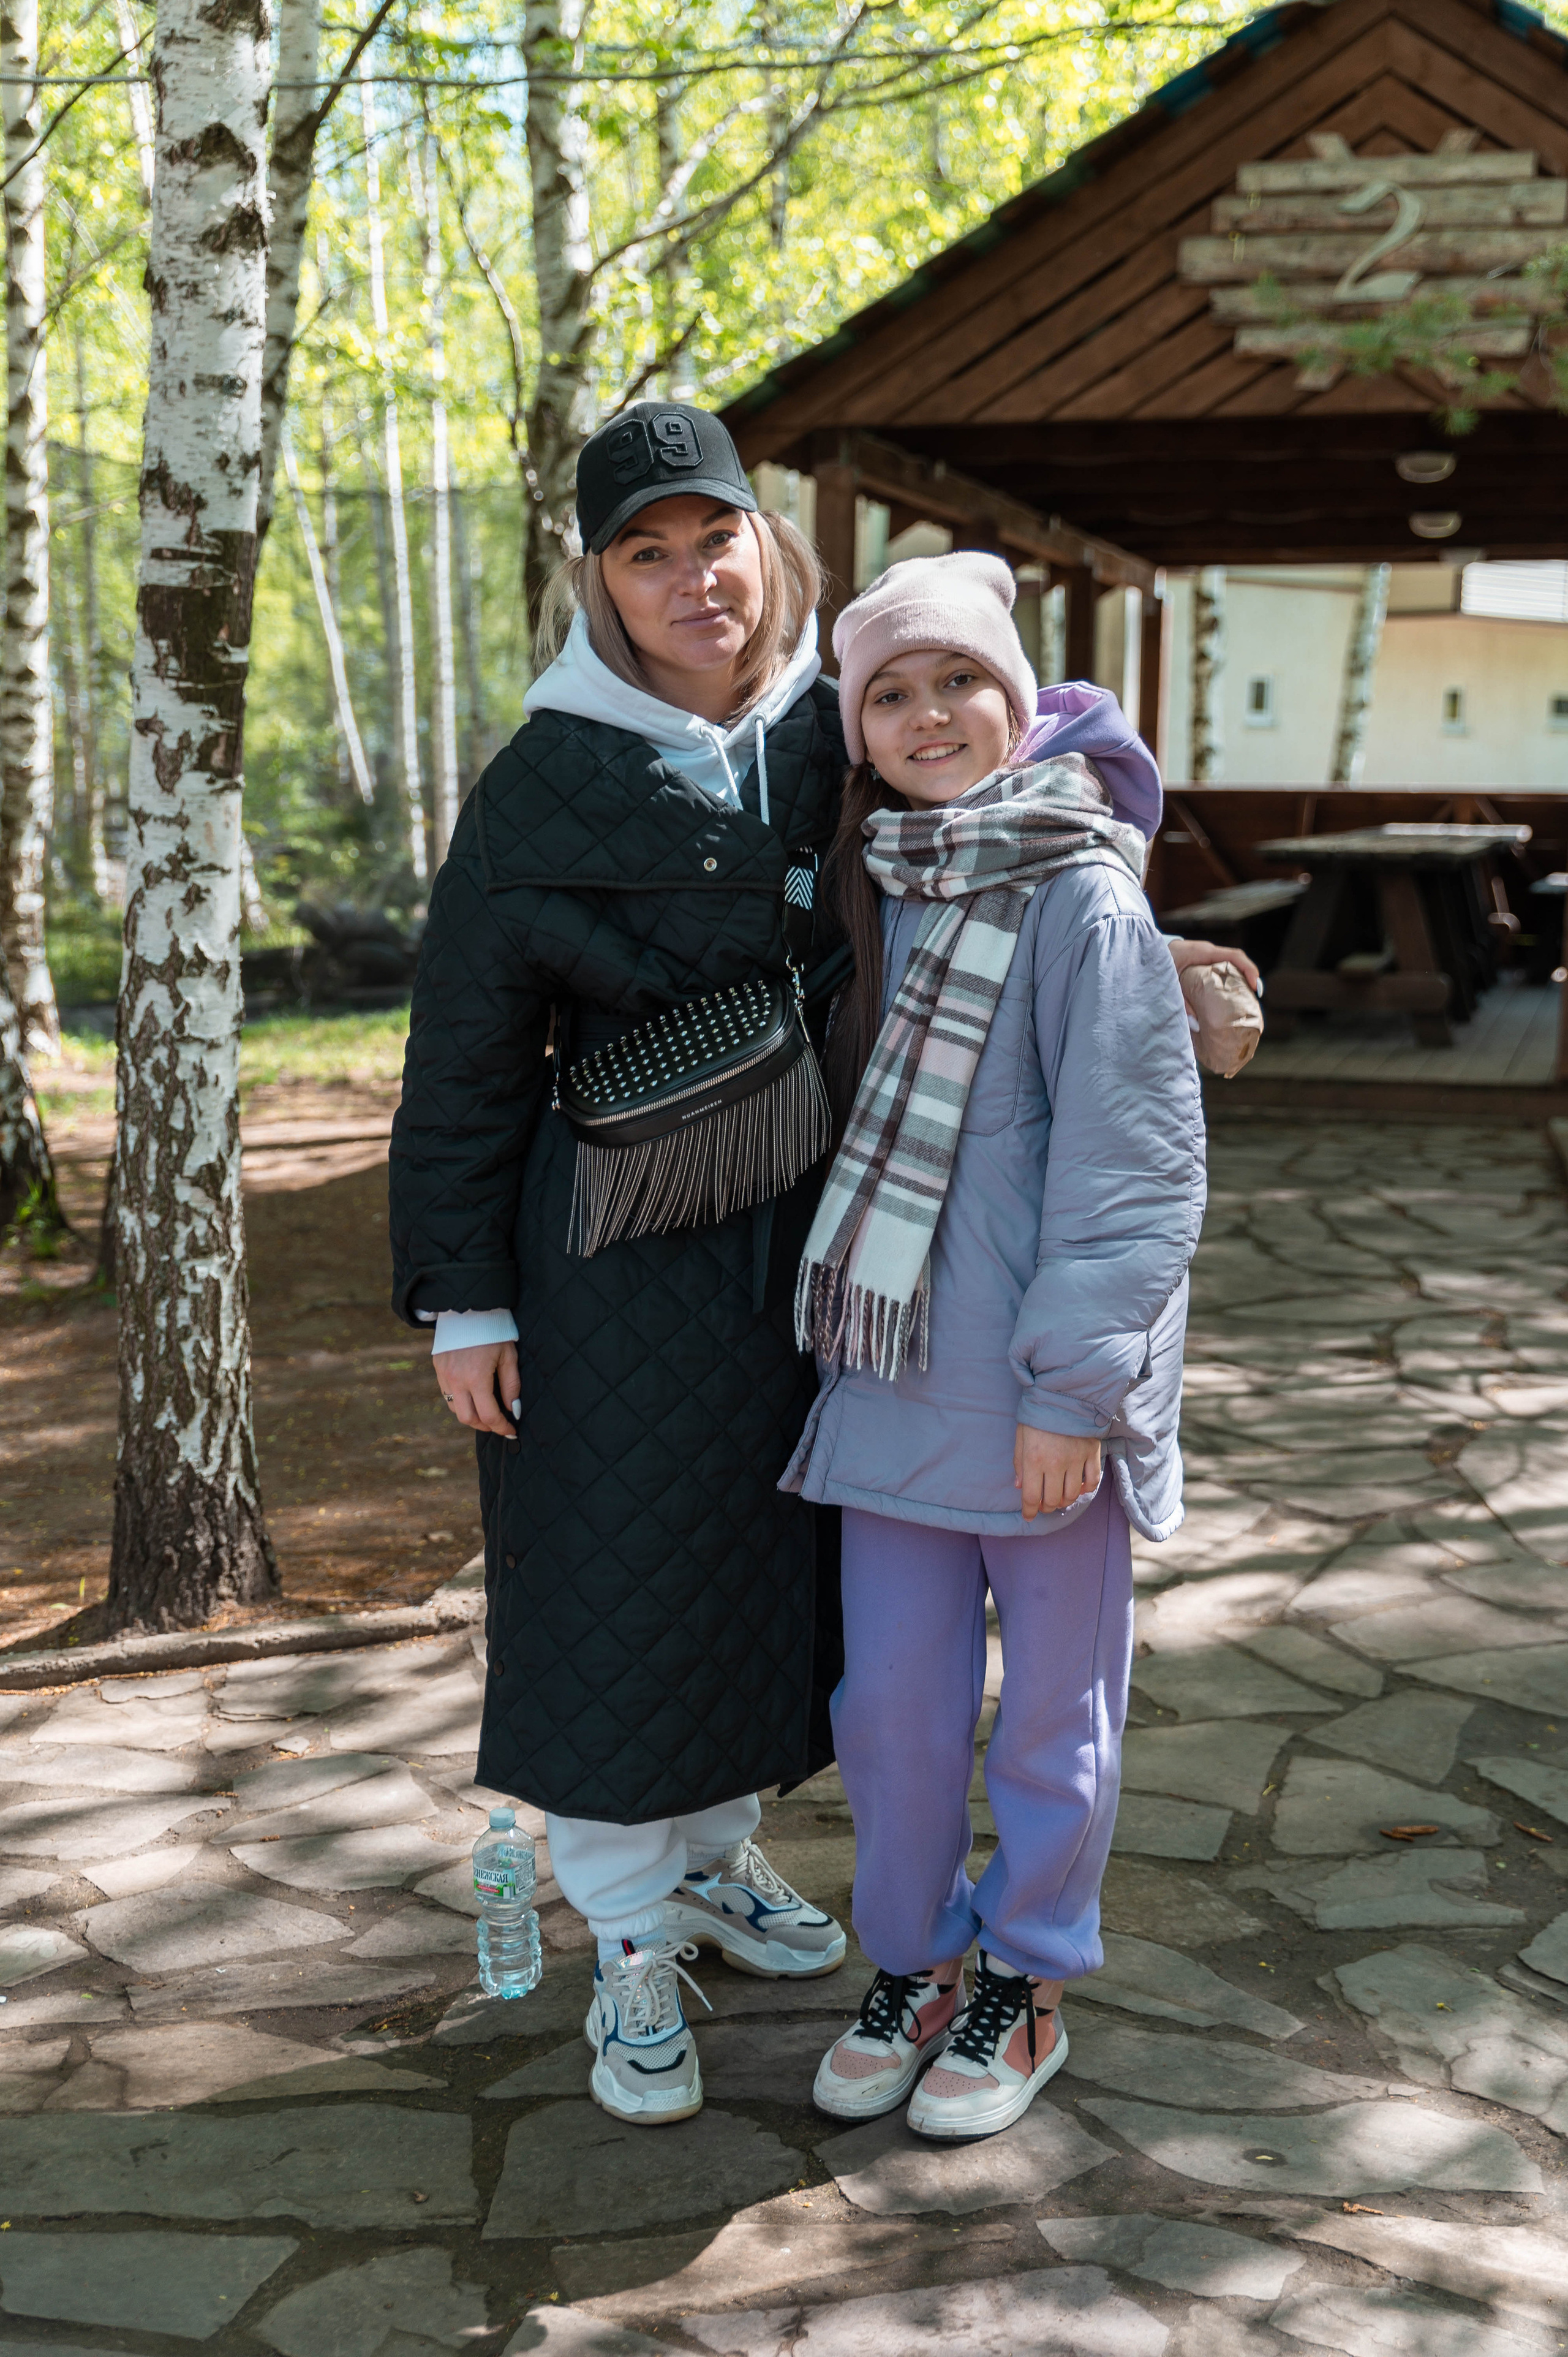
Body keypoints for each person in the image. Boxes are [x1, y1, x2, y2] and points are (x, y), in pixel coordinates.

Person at [388, 403, 853, 2131]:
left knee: (762, 1571)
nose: (690, 581)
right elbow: (464, 1057)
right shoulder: (542, 778)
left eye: (710, 539)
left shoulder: (844, 725)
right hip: (599, 1264)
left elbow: (1023, 788)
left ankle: (720, 1862)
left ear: (765, 540)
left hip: (807, 1246)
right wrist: (465, 1297)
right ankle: (627, 1939)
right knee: (607, 1594)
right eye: (643, 554)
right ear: (599, 580)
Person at [784, 551, 1205, 2142]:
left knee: (1051, 1720)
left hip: (1041, 1407)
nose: (930, 712)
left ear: (1019, 700)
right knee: (887, 1714)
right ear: (860, 730)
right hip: (887, 1386)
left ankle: (1026, 1981)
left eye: (959, 678)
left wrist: (1077, 1392)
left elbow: (1133, 1162)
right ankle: (918, 1964)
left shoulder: (1081, 891)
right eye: (890, 691)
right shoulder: (867, 884)